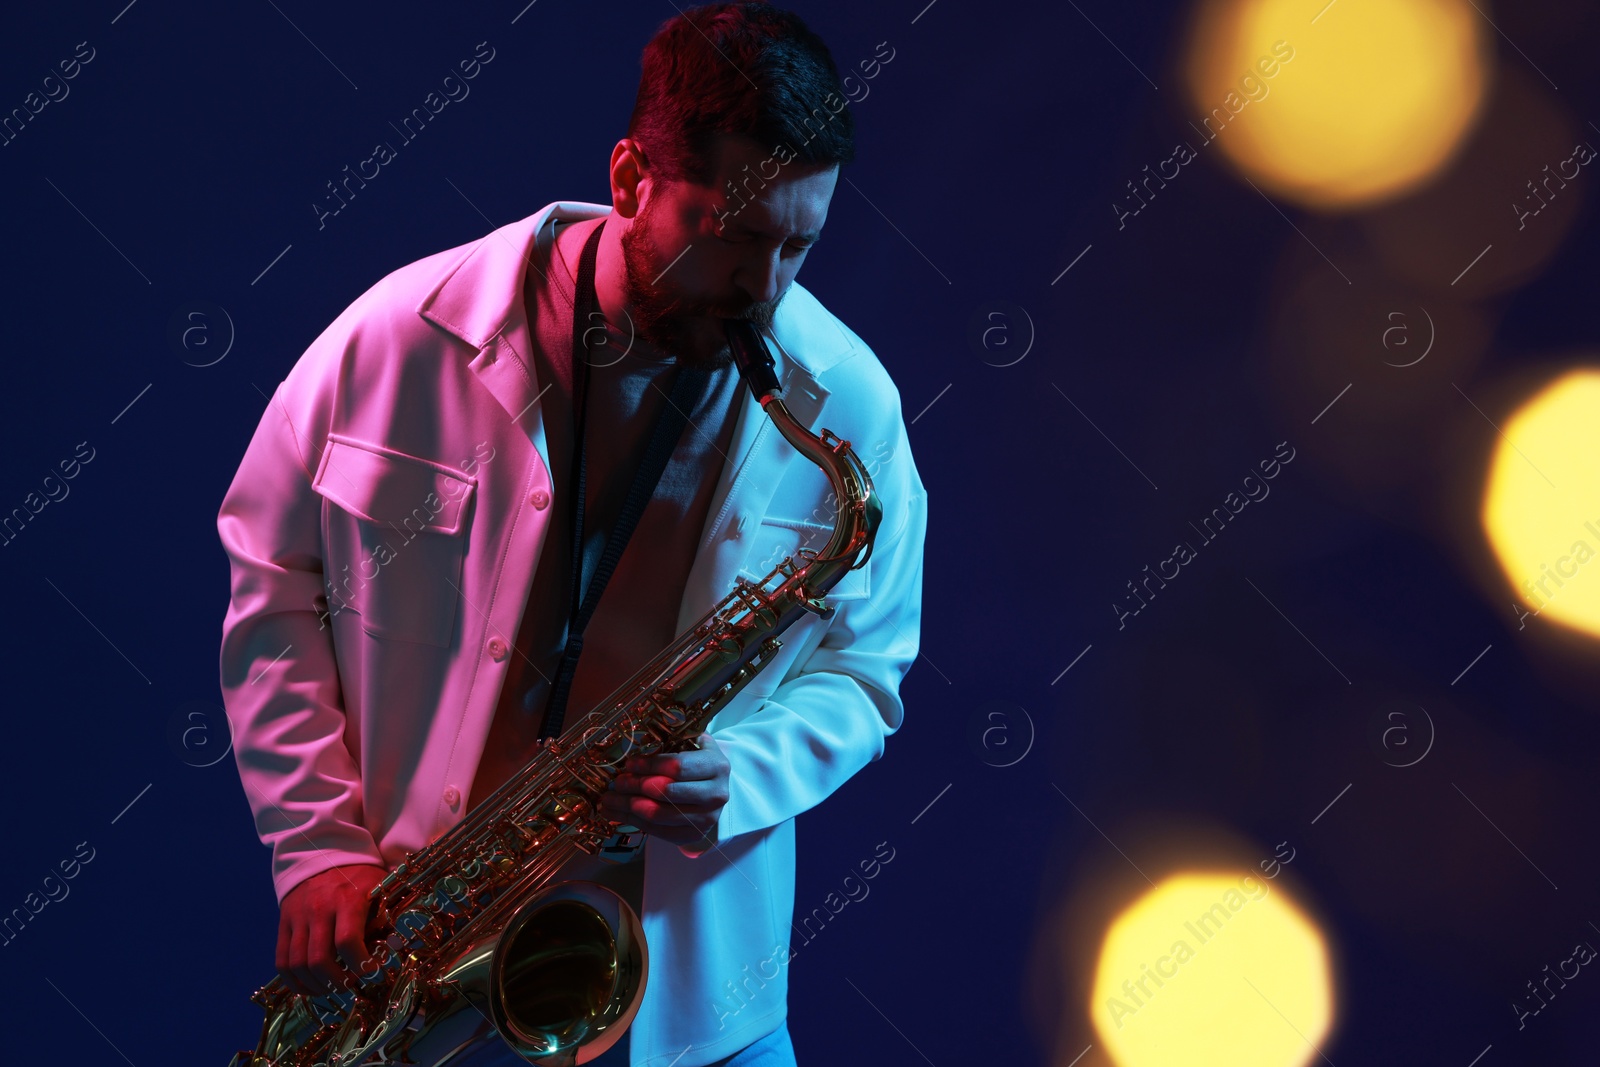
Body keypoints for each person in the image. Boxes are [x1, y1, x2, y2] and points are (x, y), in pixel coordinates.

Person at [216, 4, 927, 1066]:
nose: (764, 287)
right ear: (632, 178)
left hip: (691, 995)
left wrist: (739, 771)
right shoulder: (395, 339)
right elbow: (275, 581)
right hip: (414, 953)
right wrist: (315, 844)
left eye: (797, 244)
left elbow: (867, 671)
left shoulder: (847, 404)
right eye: (731, 234)